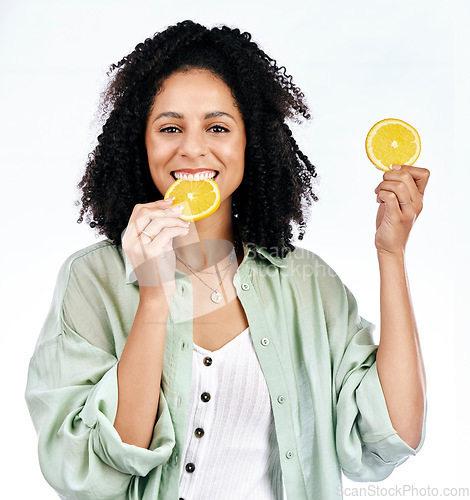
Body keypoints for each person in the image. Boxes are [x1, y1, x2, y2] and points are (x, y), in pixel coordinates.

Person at [25, 20, 428, 500]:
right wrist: (154, 295)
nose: (193, 147)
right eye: (170, 127)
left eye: (217, 127)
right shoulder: (93, 280)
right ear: (141, 142)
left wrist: (391, 254)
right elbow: (92, 469)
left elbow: (392, 436)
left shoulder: (309, 283)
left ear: (249, 143)